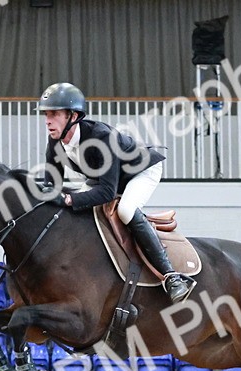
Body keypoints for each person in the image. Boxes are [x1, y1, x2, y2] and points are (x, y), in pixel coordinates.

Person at [37, 82, 195, 303]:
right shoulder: (55, 143)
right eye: (46, 114)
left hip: (140, 171)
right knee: (77, 211)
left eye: (54, 114)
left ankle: (172, 277)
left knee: (126, 210)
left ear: (73, 116)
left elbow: (107, 192)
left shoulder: (100, 137)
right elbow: (50, 187)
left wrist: (69, 197)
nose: (47, 120)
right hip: (107, 179)